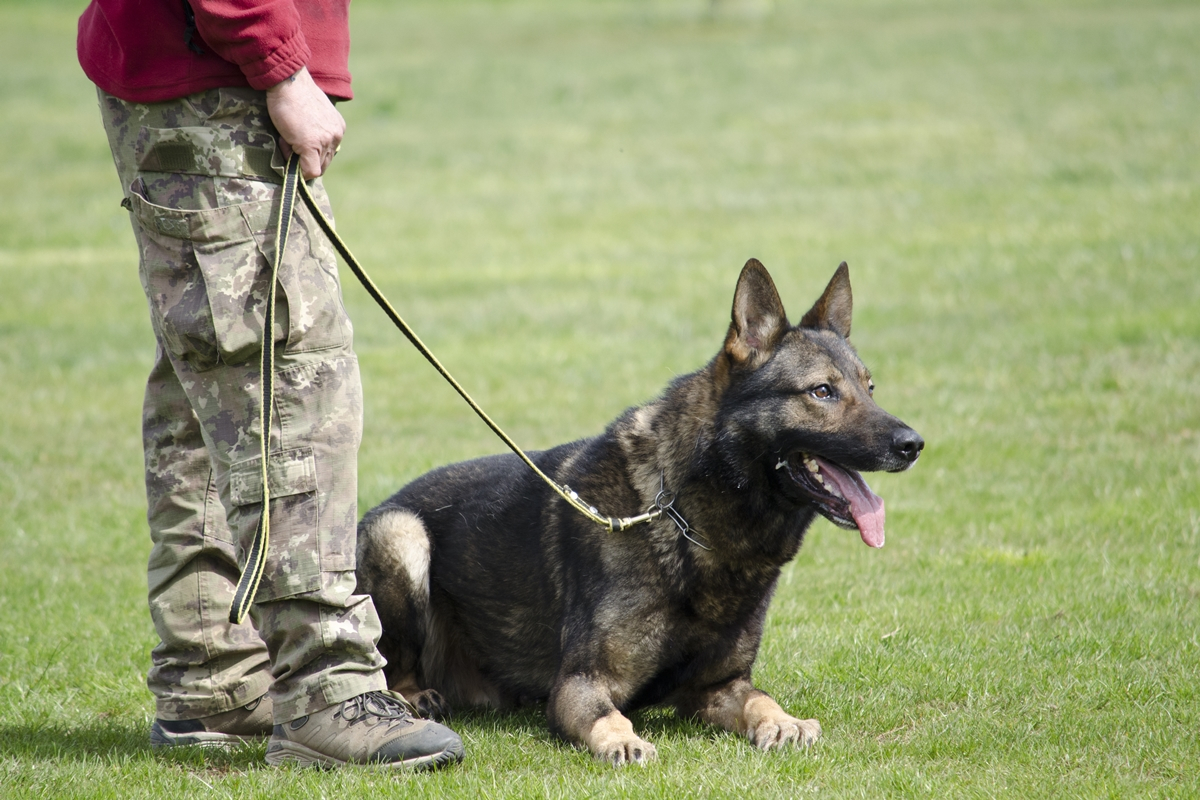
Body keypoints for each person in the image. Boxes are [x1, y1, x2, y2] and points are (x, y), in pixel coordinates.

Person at [77, 0, 464, 769]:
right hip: (222, 79)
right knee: (288, 383)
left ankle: (214, 673)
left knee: (212, 385)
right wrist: (279, 63)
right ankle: (329, 689)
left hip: (190, 69)